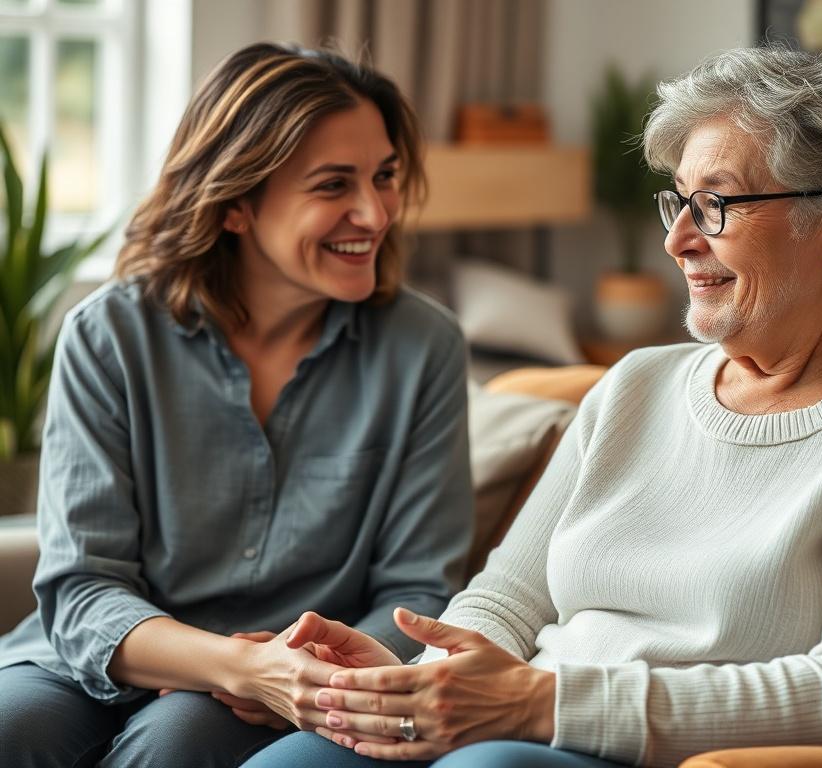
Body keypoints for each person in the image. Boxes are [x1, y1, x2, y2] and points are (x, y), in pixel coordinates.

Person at [242, 33, 822, 768]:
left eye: (718, 205)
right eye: (680, 203)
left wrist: (540, 704)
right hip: (520, 730)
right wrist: (423, 679)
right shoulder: (637, 384)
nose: (677, 242)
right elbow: (508, 597)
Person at [0, 43, 473, 768]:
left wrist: (306, 674)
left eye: (384, 177)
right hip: (87, 662)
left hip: (294, 688)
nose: (374, 212)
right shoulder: (109, 337)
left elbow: (417, 589)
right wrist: (234, 663)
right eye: (332, 185)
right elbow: (83, 587)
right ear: (234, 205)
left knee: (179, 743)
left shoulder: (423, 348)